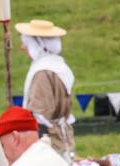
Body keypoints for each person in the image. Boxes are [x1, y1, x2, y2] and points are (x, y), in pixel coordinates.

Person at [17, 18, 76, 158]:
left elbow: (40, 113)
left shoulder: (43, 72)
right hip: (60, 137)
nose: (23, 47)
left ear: (36, 44)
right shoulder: (58, 66)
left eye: (26, 42)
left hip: (49, 142)